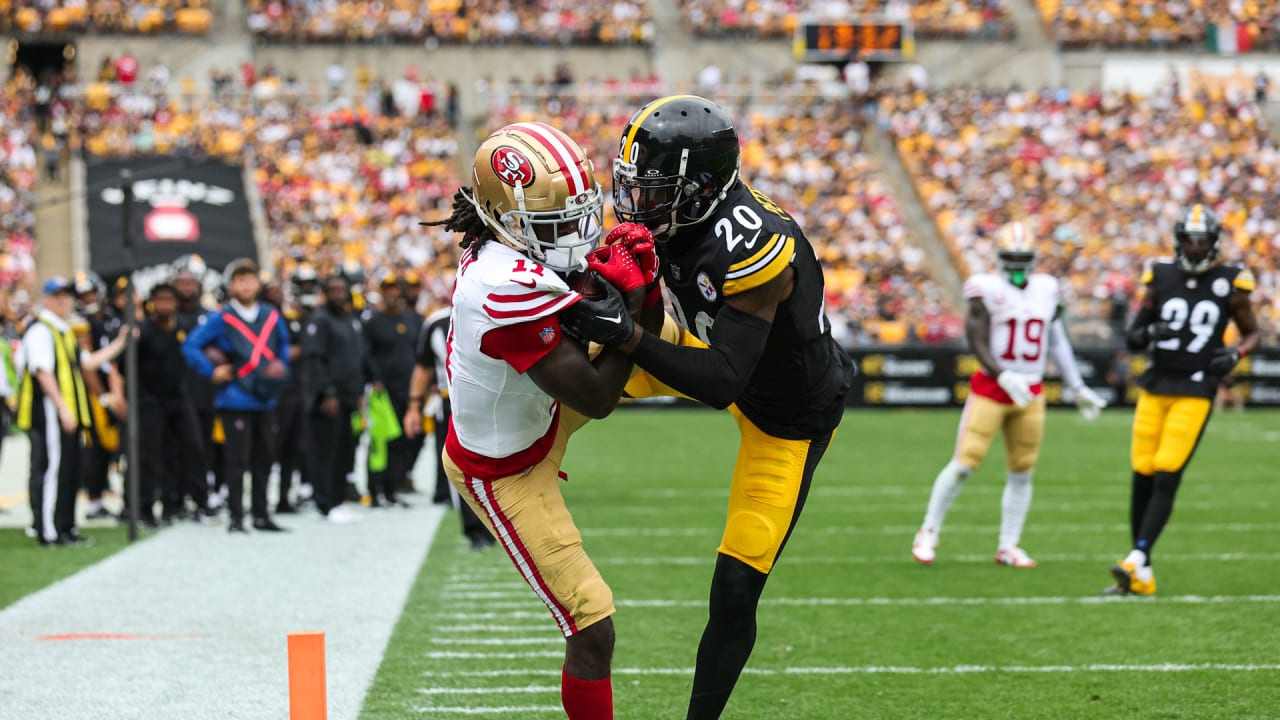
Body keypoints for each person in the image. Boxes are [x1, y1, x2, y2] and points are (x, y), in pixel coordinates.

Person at [561, 95, 854, 720]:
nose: (636, 202)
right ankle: (514, 459)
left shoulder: (753, 247)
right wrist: (619, 307)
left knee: (735, 589)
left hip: (785, 418)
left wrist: (630, 334)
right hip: (715, 354)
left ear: (700, 186)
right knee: (577, 363)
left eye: (654, 189)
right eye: (632, 185)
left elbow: (721, 381)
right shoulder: (681, 219)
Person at [422, 121, 649, 720]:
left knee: (662, 357)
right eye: (556, 226)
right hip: (503, 470)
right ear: (506, 220)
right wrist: (633, 303)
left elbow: (572, 285)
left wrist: (608, 285)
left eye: (580, 216)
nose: (576, 237)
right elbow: (599, 396)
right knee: (591, 621)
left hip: (535, 418)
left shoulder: (501, 245)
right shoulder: (503, 286)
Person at [910, 221, 1108, 568]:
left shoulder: (1047, 289)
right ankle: (928, 530)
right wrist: (1003, 375)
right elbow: (977, 338)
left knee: (1023, 470)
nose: (1017, 264)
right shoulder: (985, 288)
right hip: (992, 388)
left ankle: (1009, 545)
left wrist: (1076, 386)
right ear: (999, 257)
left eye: (1023, 257)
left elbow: (1056, 339)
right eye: (1011, 257)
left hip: (1031, 390)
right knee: (964, 463)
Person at [1107, 205, 1258, 596]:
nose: (1194, 247)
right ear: (1178, 241)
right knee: (1142, 472)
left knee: (1167, 469)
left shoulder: (1231, 281)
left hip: (1196, 386)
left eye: (1201, 240)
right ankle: (1142, 572)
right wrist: (1141, 335)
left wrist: (1237, 355)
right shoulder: (1159, 275)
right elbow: (1136, 333)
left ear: (1213, 242)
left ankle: (1138, 556)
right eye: (1188, 240)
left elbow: (1252, 334)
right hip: (1156, 383)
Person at [182, 259, 291, 534]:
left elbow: (284, 346)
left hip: (265, 397)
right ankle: (236, 517)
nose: (245, 284)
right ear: (231, 285)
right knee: (236, 459)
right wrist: (212, 371)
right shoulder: (221, 317)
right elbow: (191, 345)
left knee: (264, 458)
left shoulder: (271, 314)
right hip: (235, 397)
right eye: (239, 279)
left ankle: (262, 514)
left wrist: (280, 371)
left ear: (258, 283)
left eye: (250, 278)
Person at [17, 277, 128, 546]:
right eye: (57, 296)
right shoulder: (41, 330)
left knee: (68, 470)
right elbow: (43, 373)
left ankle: (65, 526)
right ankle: (49, 530)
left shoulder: (63, 330)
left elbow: (88, 363)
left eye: (67, 295)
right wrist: (63, 409)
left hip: (67, 413)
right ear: (46, 299)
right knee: (53, 470)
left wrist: (121, 342)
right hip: (50, 411)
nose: (63, 300)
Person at [403, 302, 492, 549]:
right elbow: (423, 367)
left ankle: (493, 525)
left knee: (493, 463)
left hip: (489, 400)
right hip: (450, 402)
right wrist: (414, 406)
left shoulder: (492, 312)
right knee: (460, 466)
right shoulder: (436, 323)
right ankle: (473, 529)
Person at [138, 282, 213, 525]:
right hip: (151, 400)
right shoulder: (144, 332)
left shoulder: (182, 327)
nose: (165, 305)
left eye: (169, 300)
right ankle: (145, 507)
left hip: (179, 397)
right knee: (151, 455)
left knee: (190, 447)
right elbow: (126, 369)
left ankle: (179, 503)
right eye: (160, 300)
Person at [302, 275, 365, 523]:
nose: (339, 294)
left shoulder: (349, 318)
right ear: (325, 293)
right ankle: (325, 503)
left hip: (348, 396)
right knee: (325, 452)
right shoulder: (319, 320)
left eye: (342, 289)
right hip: (329, 398)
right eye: (333, 290)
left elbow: (355, 357)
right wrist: (326, 393)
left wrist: (359, 392)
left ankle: (338, 499)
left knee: (344, 451)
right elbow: (315, 360)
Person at [361, 271, 419, 507]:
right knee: (380, 442)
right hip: (382, 393)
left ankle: (392, 489)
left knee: (403, 442)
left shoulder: (414, 319)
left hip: (408, 390)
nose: (392, 293)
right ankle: (374, 491)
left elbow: (420, 355)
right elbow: (364, 353)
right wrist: (373, 379)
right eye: (388, 289)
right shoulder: (373, 321)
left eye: (395, 288)